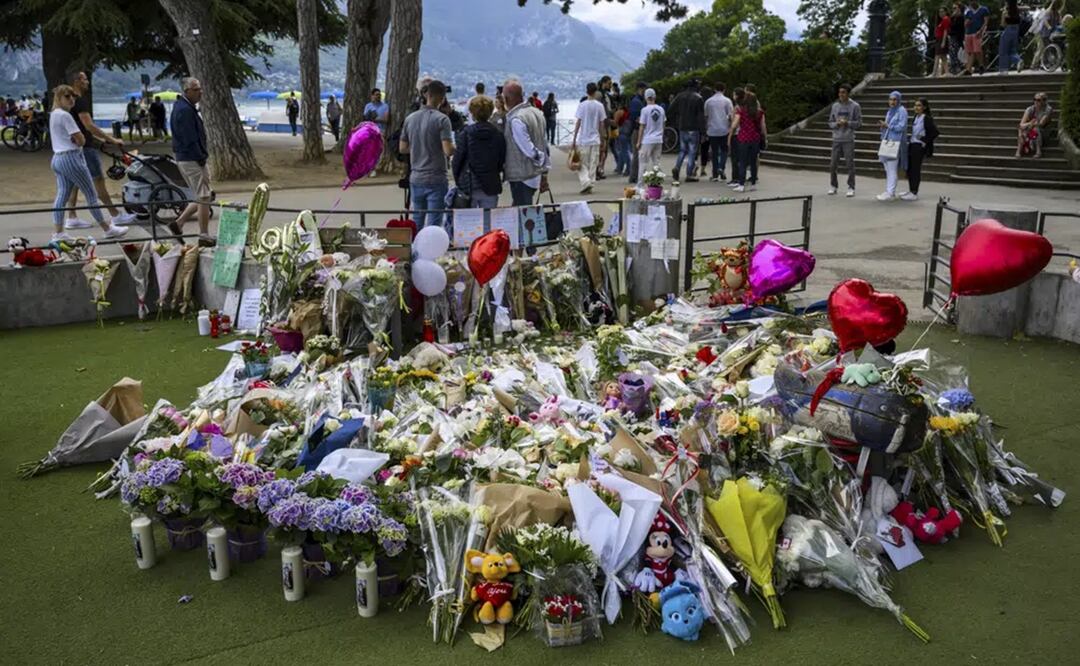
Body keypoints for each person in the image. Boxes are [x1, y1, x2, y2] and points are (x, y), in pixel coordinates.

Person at [47, 85, 127, 243]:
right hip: (71, 157)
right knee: (90, 193)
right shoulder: (65, 116)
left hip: (58, 158)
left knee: (62, 195)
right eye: (68, 96)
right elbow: (81, 138)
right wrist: (80, 141)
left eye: (73, 96)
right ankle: (107, 228)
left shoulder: (54, 114)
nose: (72, 99)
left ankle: (58, 232)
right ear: (59, 98)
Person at [64, 71, 136, 230]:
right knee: (98, 182)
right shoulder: (80, 100)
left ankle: (71, 217)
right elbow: (88, 125)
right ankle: (116, 216)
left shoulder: (67, 101)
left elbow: (78, 127)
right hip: (86, 149)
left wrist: (100, 140)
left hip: (74, 147)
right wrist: (112, 139)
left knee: (74, 183)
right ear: (77, 81)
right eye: (84, 79)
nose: (87, 82)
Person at [399, 80, 454, 228]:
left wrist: (418, 146)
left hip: (416, 176)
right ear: (442, 98)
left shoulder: (410, 119)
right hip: (436, 176)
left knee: (417, 217)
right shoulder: (442, 119)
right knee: (434, 220)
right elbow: (448, 150)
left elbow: (402, 148)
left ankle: (415, 248)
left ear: (426, 95)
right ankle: (430, 250)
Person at [170, 77, 215, 246]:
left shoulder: (185, 107)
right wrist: (201, 158)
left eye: (200, 88)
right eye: (196, 89)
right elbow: (190, 138)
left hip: (189, 157)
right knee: (204, 196)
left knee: (204, 194)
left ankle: (179, 223)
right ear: (187, 91)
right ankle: (204, 235)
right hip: (191, 158)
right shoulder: (185, 110)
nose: (200, 92)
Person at [452, 95, 506, 210]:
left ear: (472, 113)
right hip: (490, 183)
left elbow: (458, 159)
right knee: (489, 221)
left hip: (469, 183)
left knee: (469, 222)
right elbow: (501, 159)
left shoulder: (466, 133)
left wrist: (458, 179)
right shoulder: (498, 135)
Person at [502, 80, 549, 206]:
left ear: (506, 98)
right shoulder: (536, 112)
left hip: (522, 175)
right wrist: (543, 170)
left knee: (522, 214)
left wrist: (540, 158)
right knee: (525, 212)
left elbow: (528, 149)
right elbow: (543, 143)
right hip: (535, 175)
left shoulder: (516, 119)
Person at [571, 81, 607, 194]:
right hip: (595, 138)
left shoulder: (582, 105)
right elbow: (602, 124)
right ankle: (590, 183)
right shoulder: (600, 106)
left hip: (584, 138)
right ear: (595, 92)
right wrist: (602, 138)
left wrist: (574, 137)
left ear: (587, 91)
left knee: (582, 164)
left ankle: (586, 182)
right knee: (593, 163)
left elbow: (578, 122)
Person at [827, 83, 862, 197]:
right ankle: (833, 185)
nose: (841, 94)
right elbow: (830, 122)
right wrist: (836, 124)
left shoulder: (855, 106)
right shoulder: (835, 106)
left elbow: (859, 123)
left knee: (850, 164)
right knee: (833, 164)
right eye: (839, 92)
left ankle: (851, 187)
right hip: (836, 138)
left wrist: (848, 123)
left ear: (848, 93)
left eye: (843, 92)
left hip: (848, 139)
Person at [901, 98, 939, 201]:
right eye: (915, 105)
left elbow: (935, 132)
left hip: (919, 147)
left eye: (919, 106)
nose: (916, 107)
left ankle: (914, 192)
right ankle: (910, 189)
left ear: (924, 107)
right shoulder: (916, 117)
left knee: (915, 169)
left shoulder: (926, 118)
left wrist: (924, 139)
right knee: (910, 169)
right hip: (912, 145)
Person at [728, 91, 766, 193]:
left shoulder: (741, 111)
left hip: (743, 138)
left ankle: (741, 184)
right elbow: (763, 127)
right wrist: (764, 138)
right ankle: (753, 184)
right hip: (755, 139)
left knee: (742, 162)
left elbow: (734, 125)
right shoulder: (760, 112)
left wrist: (730, 134)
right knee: (753, 162)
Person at [877, 90, 908, 201]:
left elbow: (902, 127)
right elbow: (888, 126)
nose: (892, 101)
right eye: (890, 99)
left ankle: (891, 193)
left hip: (896, 142)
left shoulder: (902, 111)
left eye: (895, 99)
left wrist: (888, 126)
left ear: (899, 100)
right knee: (887, 168)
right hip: (887, 141)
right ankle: (889, 190)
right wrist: (883, 126)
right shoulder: (890, 111)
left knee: (892, 168)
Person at [671, 79, 704, 182]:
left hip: (682, 127)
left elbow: (671, 110)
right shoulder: (698, 98)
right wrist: (703, 131)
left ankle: (677, 167)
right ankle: (689, 174)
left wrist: (677, 121)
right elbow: (700, 116)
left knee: (682, 150)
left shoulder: (679, 96)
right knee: (692, 151)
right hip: (694, 128)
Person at [704, 83, 733, 182]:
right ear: (724, 90)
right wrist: (730, 127)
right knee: (724, 150)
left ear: (714, 90)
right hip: (724, 129)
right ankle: (721, 167)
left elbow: (706, 116)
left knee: (714, 152)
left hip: (712, 130)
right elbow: (730, 116)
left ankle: (715, 174)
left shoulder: (708, 101)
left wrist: (706, 129)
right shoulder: (727, 101)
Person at [635, 88, 666, 175]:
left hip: (647, 140)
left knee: (643, 163)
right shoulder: (661, 109)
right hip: (658, 139)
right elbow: (663, 124)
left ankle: (640, 185)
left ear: (646, 97)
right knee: (656, 163)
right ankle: (657, 184)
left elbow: (642, 127)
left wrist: (638, 142)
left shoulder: (644, 110)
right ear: (654, 97)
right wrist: (661, 135)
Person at [1016, 92, 1053, 157]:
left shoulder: (1048, 109)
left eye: (1038, 100)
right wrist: (1030, 123)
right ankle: (1019, 150)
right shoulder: (1030, 109)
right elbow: (1021, 124)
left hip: (1043, 132)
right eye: (1034, 99)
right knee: (1021, 129)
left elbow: (1041, 123)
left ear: (1044, 101)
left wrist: (1031, 124)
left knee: (1035, 128)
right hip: (1031, 130)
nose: (1036, 101)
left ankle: (1038, 152)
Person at [1029, 1, 1062, 69]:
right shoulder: (1048, 12)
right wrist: (1048, 26)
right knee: (1041, 48)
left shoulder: (1057, 13)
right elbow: (1045, 21)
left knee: (1047, 48)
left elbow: (1060, 22)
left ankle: (1043, 63)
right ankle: (1033, 64)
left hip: (1049, 34)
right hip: (1041, 33)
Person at [627, 82, 647, 183]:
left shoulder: (638, 101)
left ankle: (635, 175)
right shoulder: (637, 102)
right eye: (644, 89)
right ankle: (633, 176)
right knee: (637, 154)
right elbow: (635, 117)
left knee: (637, 154)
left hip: (637, 129)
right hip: (637, 130)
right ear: (640, 89)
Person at [964, 1, 990, 75]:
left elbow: (986, 22)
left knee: (977, 50)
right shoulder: (968, 11)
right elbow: (965, 23)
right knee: (970, 51)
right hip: (969, 33)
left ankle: (981, 65)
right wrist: (967, 22)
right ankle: (968, 69)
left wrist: (981, 30)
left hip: (977, 32)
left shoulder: (983, 9)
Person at [999, 0, 1022, 74]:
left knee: (1003, 51)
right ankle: (1018, 60)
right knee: (1013, 50)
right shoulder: (1017, 12)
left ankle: (1003, 69)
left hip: (1007, 31)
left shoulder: (1005, 12)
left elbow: (1003, 24)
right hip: (1016, 31)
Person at [613, 100, 632, 176]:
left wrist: (607, 121)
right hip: (628, 132)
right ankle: (619, 168)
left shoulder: (619, 112)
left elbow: (615, 123)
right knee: (622, 151)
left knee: (624, 151)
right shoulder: (628, 112)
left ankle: (628, 169)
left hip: (621, 132)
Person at [933, 7, 952, 77]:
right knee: (943, 57)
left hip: (941, 39)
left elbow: (945, 31)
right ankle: (947, 72)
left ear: (946, 12)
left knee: (937, 56)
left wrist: (943, 41)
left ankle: (934, 72)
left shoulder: (945, 19)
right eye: (940, 12)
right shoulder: (941, 20)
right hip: (939, 39)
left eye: (942, 12)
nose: (941, 13)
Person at [948, 2, 966, 73]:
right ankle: (953, 66)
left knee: (956, 52)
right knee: (952, 52)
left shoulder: (961, 17)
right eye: (953, 8)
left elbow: (958, 27)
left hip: (958, 37)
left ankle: (958, 66)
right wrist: (952, 17)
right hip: (952, 36)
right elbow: (950, 26)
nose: (953, 10)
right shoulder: (952, 18)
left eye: (955, 8)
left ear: (959, 8)